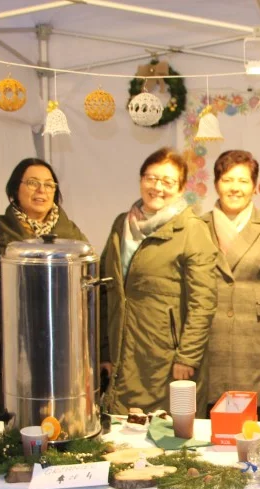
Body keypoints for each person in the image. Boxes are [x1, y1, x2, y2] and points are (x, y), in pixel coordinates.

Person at [99, 147, 217, 416]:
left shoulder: (191, 230)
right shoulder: (121, 225)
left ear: (180, 188)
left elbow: (204, 303)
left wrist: (187, 356)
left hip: (167, 359)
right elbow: (106, 291)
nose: (157, 187)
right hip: (121, 354)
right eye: (151, 178)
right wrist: (104, 351)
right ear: (141, 180)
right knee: (122, 437)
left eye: (167, 181)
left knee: (167, 440)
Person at [0, 158, 89, 416]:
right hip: (12, 348)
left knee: (62, 419)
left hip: (65, 352)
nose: (41, 191)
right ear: (14, 189)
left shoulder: (74, 237)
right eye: (32, 183)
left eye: (49, 185)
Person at [201, 150, 260, 413]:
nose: (235, 188)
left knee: (246, 422)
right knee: (206, 419)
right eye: (227, 180)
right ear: (216, 183)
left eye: (242, 181)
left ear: (254, 186)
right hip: (208, 336)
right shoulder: (199, 225)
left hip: (254, 339)